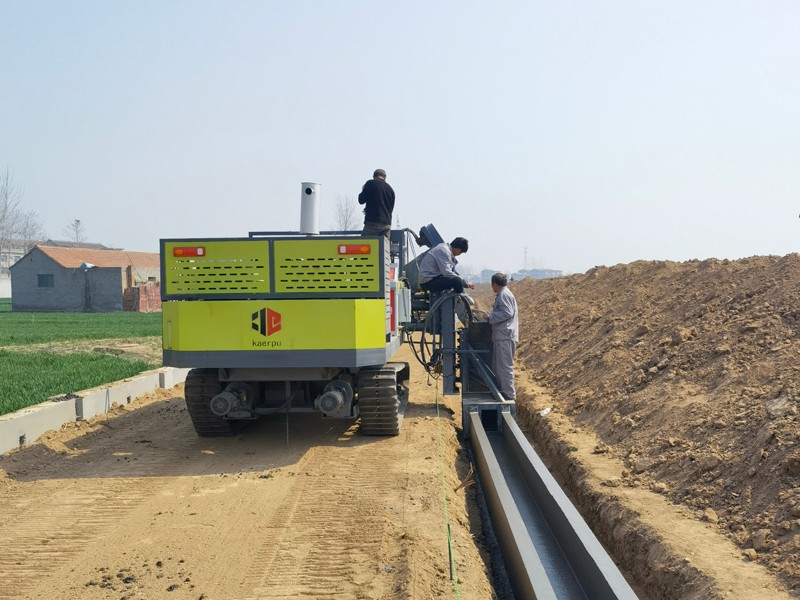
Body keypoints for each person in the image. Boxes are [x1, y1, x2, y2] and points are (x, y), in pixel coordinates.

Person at [486, 272, 518, 400]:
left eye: (492, 285)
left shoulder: (504, 295)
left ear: (495, 284)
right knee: (498, 367)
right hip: (502, 335)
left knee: (504, 367)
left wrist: (490, 316)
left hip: (504, 336)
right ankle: (502, 393)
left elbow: (507, 312)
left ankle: (509, 396)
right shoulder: (504, 294)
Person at [358, 168, 395, 238]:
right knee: (383, 244)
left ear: (374, 177)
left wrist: (364, 189)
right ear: (385, 178)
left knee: (364, 243)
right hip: (386, 224)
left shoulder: (370, 183)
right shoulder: (390, 190)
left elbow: (361, 200)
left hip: (372, 223)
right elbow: (391, 209)